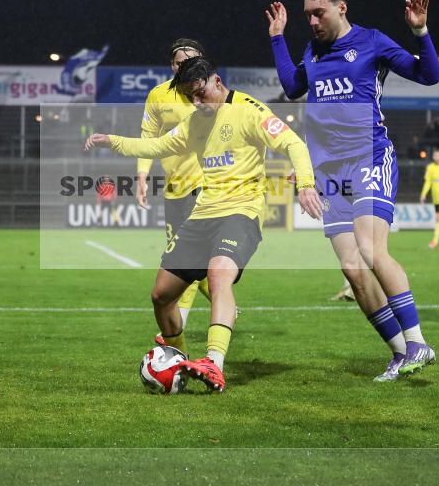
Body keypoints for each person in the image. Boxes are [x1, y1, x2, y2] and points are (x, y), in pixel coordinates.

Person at [85, 57, 322, 392]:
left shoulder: (249, 110)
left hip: (240, 212)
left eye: (200, 94)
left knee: (218, 275)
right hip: (202, 215)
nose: (196, 103)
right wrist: (112, 141)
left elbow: (293, 143)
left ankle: (214, 363)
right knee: (161, 295)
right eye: (190, 98)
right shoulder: (197, 121)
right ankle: (178, 360)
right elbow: (158, 145)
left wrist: (306, 184)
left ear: (217, 81)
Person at [267, 0, 439, 379]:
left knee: (370, 249)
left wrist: (420, 32)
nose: (311, 21)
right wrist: (278, 39)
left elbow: (428, 75)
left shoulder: (372, 42)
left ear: (341, 8)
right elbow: (294, 88)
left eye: (318, 13)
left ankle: (418, 342)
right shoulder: (314, 50)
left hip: (368, 157)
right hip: (330, 173)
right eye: (307, 14)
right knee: (352, 269)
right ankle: (401, 353)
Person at [136, 39, 211, 342]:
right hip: (173, 190)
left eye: (192, 61)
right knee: (199, 267)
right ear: (173, 66)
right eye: (181, 63)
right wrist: (142, 175)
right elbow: (147, 138)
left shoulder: (209, 92)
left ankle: (173, 335)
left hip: (204, 186)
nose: (186, 66)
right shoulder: (158, 95)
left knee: (184, 259)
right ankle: (224, 303)